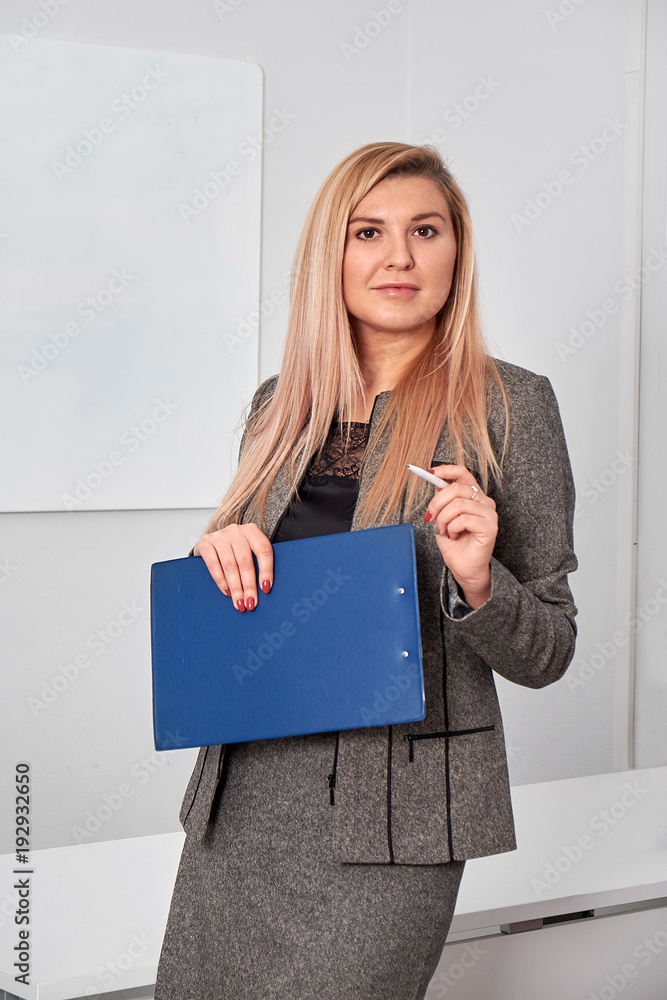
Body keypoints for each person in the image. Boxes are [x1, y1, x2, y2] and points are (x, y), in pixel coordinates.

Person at [153, 141, 578, 999]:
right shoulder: (279, 407)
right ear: (331, 254)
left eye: (425, 230)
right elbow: (249, 596)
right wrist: (217, 557)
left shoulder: (510, 405)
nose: (398, 257)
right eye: (367, 232)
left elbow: (549, 651)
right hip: (244, 802)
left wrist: (479, 579)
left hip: (398, 817)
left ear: (456, 251)